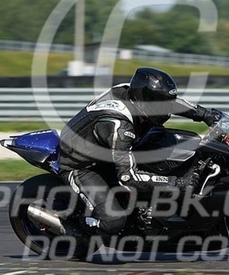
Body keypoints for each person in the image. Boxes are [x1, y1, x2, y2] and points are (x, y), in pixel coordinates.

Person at [58, 67, 220, 240]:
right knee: (114, 221)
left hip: (107, 151)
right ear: (143, 100)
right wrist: (177, 183)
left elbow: (169, 102)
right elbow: (128, 177)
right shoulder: (120, 128)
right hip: (81, 165)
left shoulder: (136, 96)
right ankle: (81, 229)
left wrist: (205, 114)